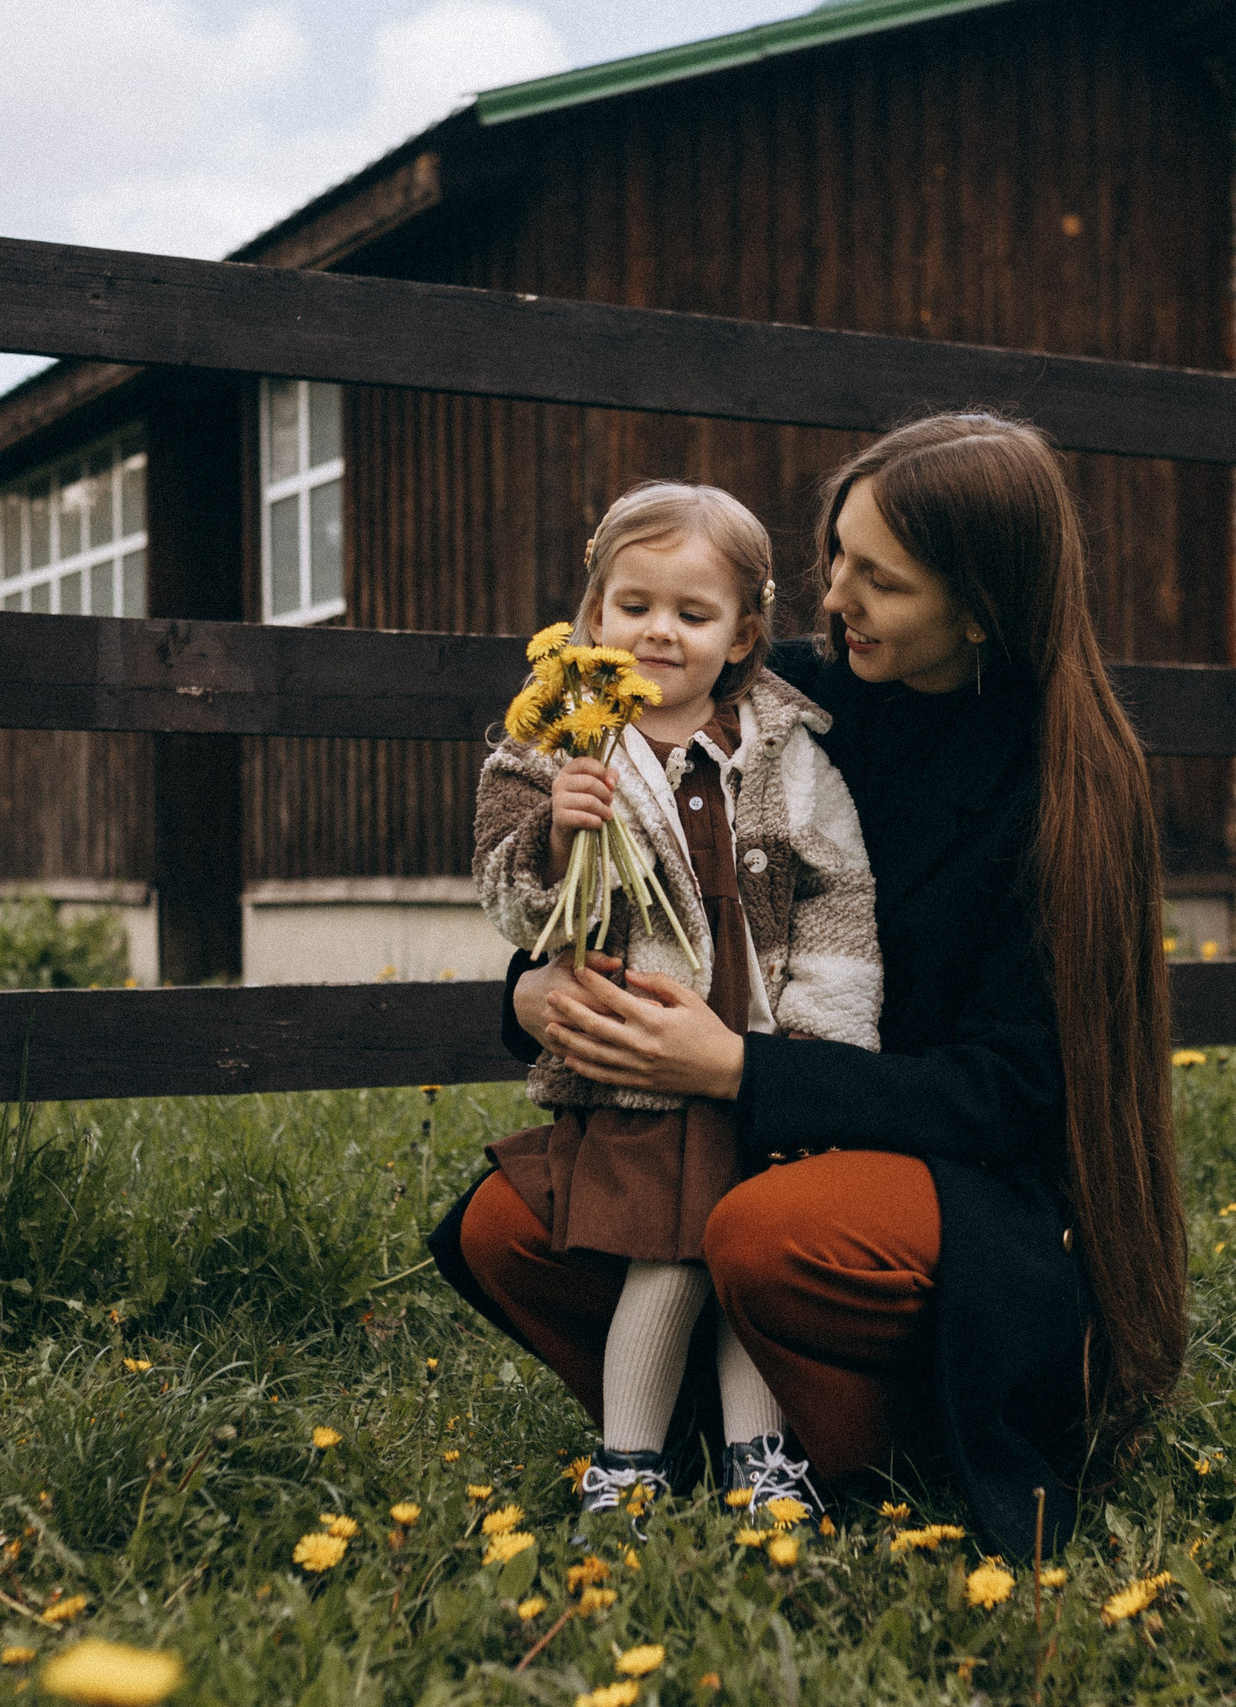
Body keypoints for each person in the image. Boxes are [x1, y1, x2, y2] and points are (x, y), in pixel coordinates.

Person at [433, 413, 1188, 1559]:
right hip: (744, 1109)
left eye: (879, 581)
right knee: (508, 1228)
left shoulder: (1066, 791)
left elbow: (1013, 1096)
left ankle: (885, 1446)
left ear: (981, 606)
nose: (832, 597)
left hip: (960, 1176)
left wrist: (738, 1069)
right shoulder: (777, 699)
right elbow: (637, 877)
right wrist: (530, 998)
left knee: (760, 1236)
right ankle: (690, 1439)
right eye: (835, 555)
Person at [466, 480, 883, 1527]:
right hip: (641, 1049)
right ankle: (629, 1457)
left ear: (743, 635)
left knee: (744, 1255)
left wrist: (823, 1044)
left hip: (756, 1044)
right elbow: (509, 903)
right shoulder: (562, 736)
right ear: (592, 611)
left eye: (692, 616)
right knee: (664, 1255)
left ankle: (761, 1458)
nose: (657, 634)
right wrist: (556, 837)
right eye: (632, 606)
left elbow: (841, 899)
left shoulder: (786, 751)